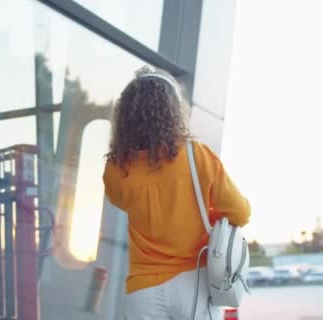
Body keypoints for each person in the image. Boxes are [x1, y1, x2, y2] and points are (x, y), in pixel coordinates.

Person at [103, 66, 251, 320]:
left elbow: (120, 200)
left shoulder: (117, 168)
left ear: (126, 115)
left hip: (143, 287)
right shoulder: (196, 156)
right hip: (194, 282)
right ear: (173, 111)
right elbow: (241, 213)